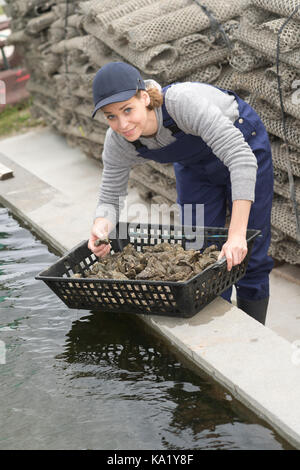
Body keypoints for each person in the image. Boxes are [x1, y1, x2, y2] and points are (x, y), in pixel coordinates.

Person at [88, 61, 274, 325]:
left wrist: (236, 235)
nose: (122, 123)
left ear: (144, 98)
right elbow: (110, 195)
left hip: (243, 145)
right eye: (111, 116)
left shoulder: (180, 103)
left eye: (127, 110)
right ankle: (222, 330)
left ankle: (255, 335)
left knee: (248, 253)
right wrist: (101, 226)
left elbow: (240, 159)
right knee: (201, 253)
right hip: (195, 167)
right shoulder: (119, 141)